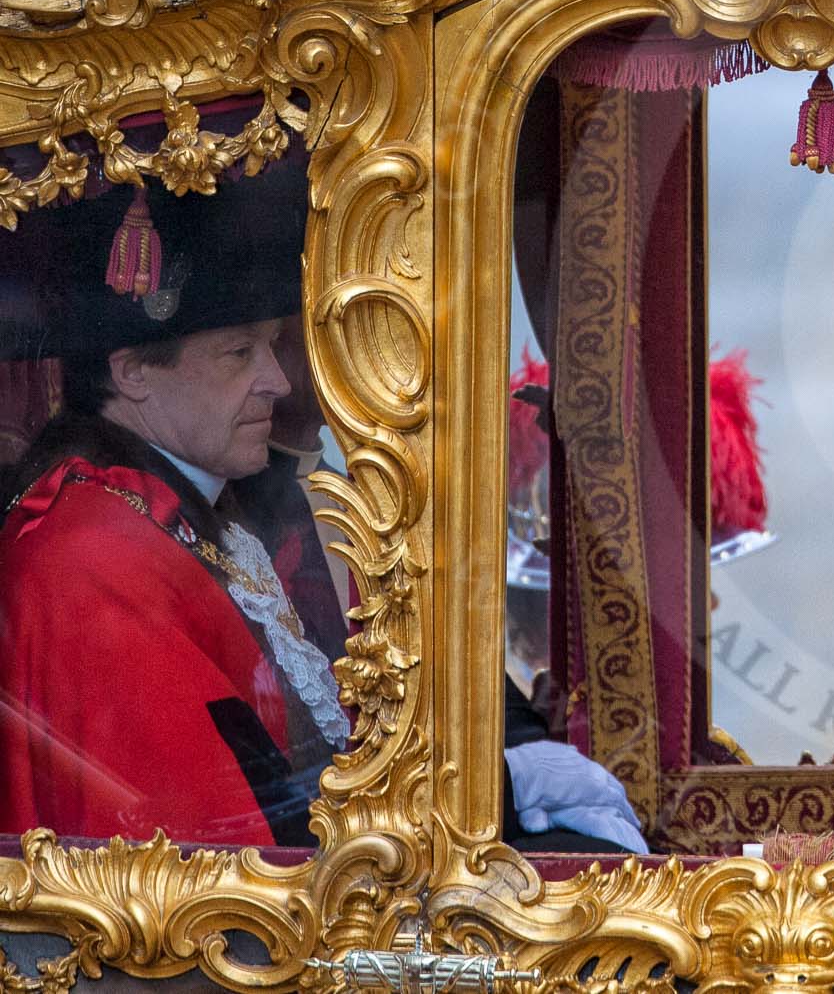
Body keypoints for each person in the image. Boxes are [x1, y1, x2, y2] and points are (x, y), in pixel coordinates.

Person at [0, 171, 645, 851]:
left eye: (273, 346)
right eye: (240, 352)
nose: (277, 380)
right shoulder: (95, 555)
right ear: (133, 373)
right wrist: (500, 790)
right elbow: (221, 843)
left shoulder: (173, 512)